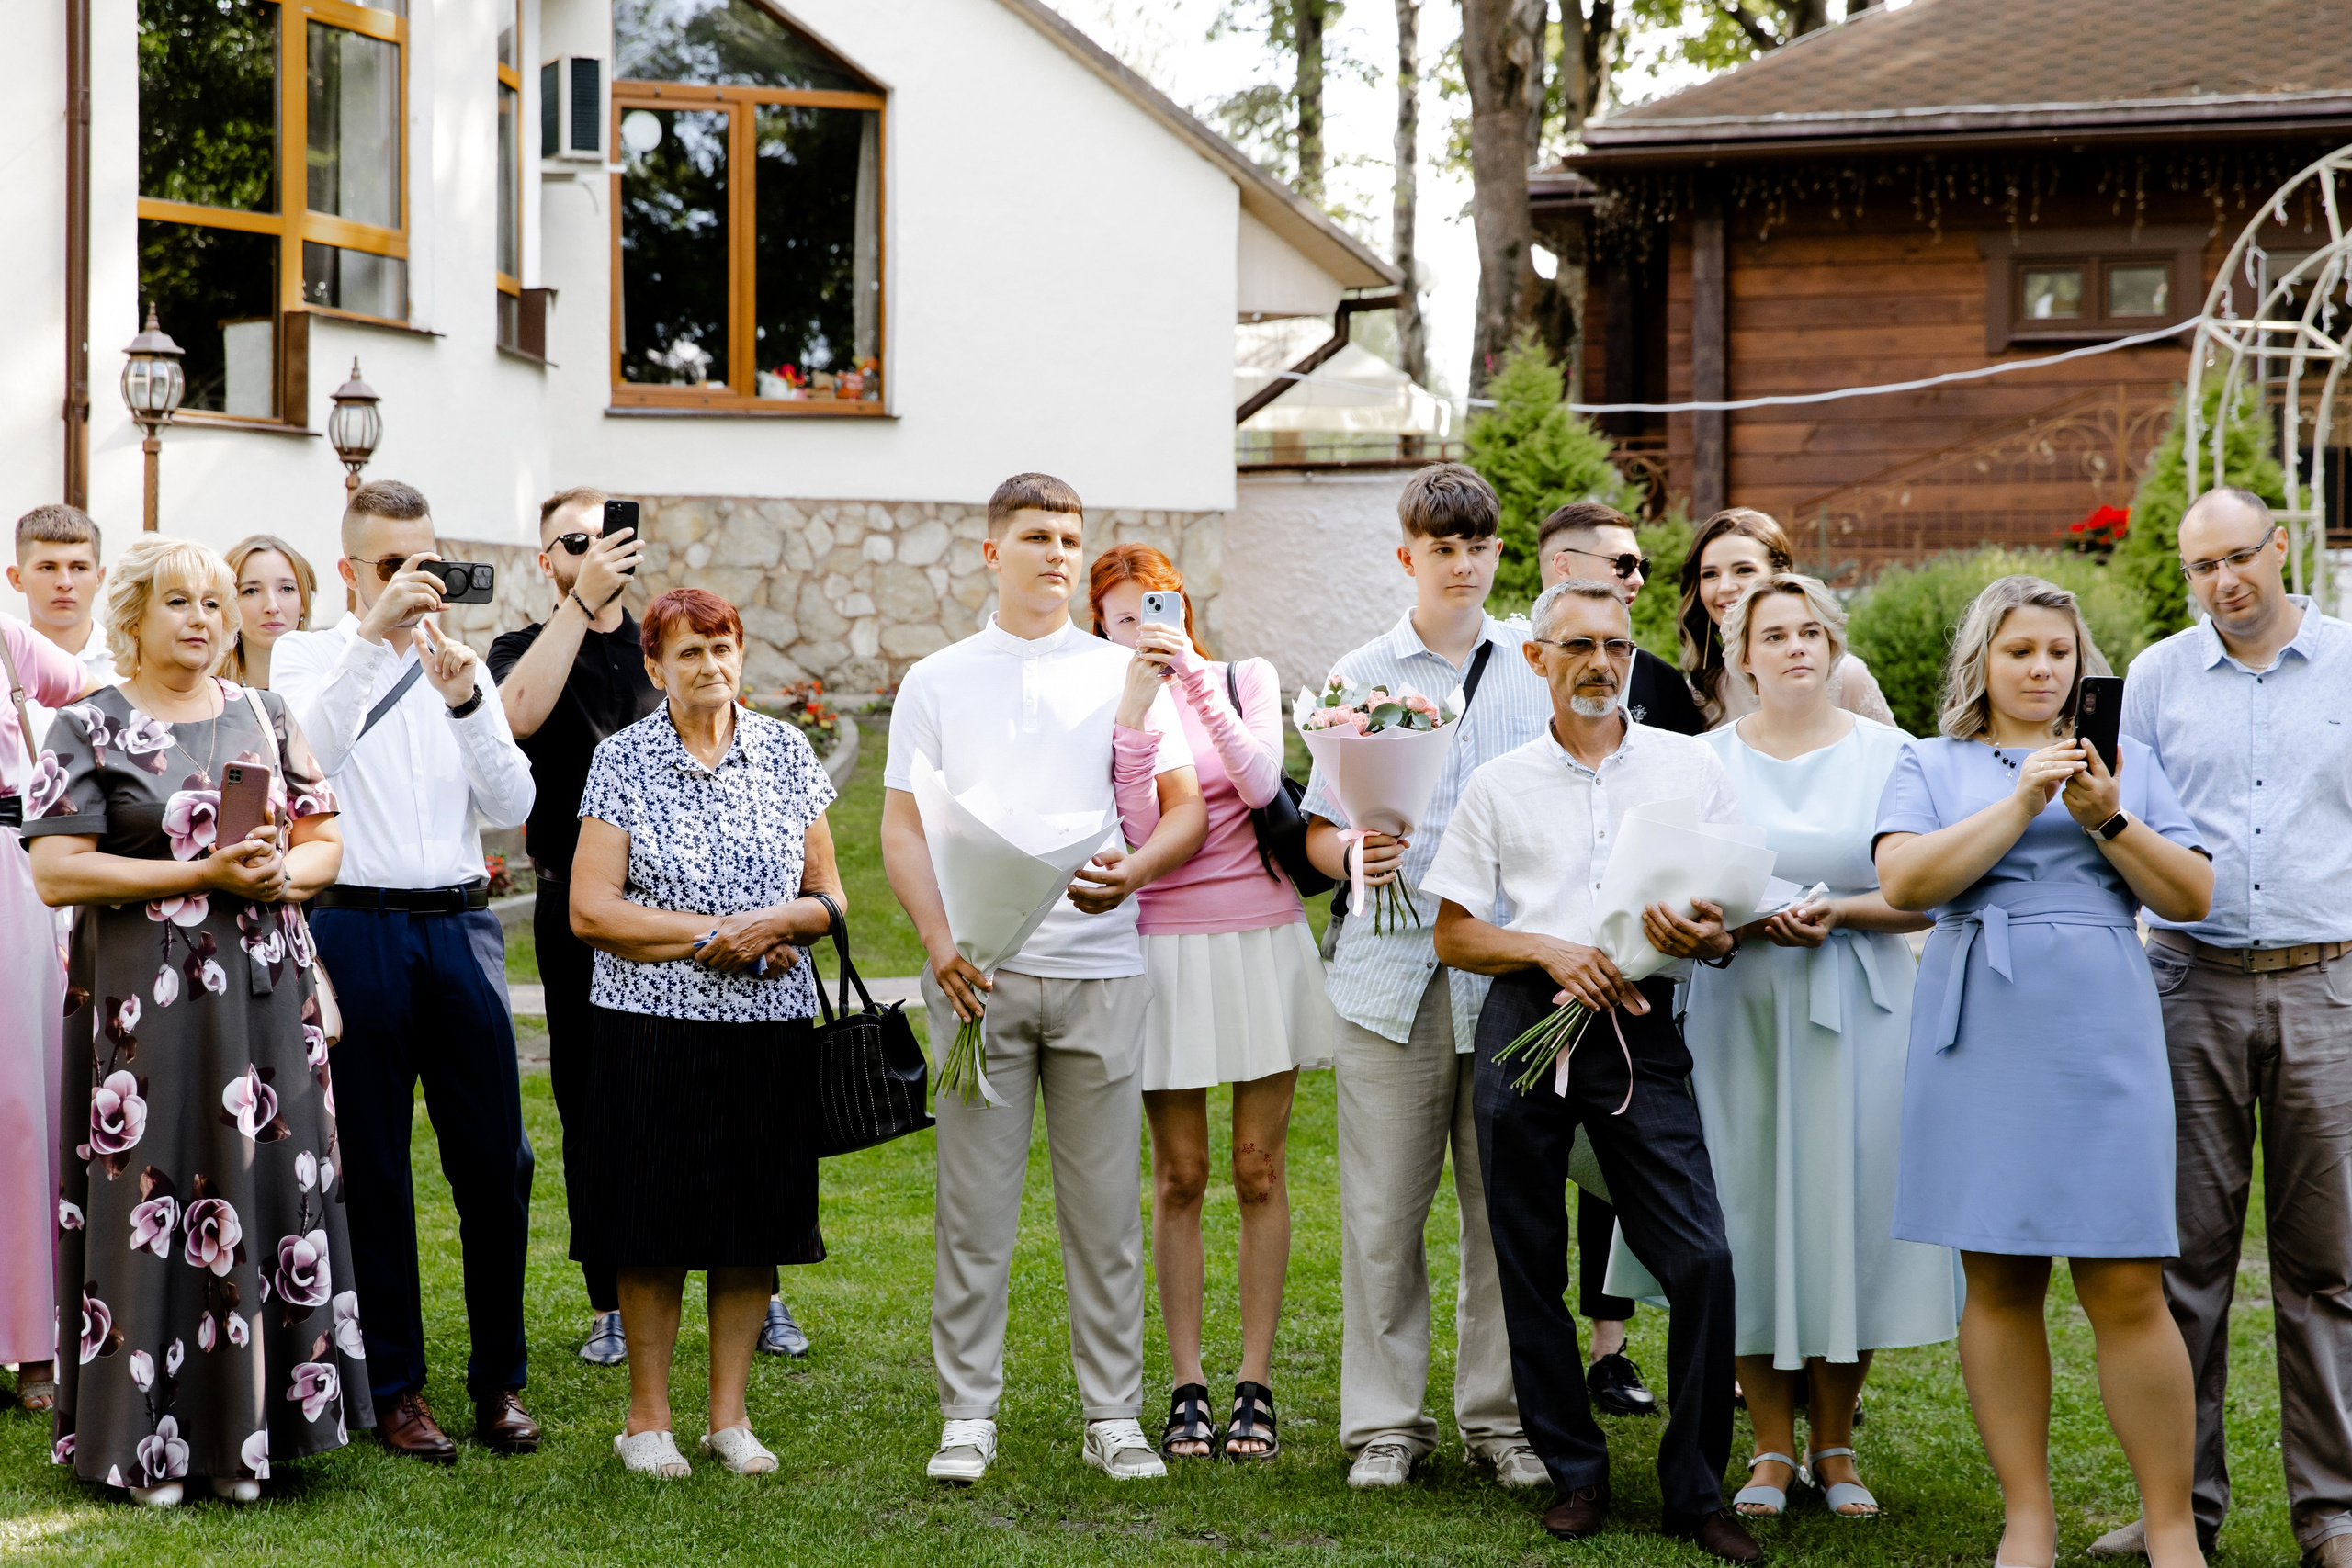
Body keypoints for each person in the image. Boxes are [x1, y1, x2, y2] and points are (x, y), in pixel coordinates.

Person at [1874, 575, 2214, 1568]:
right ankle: (2028, 1517)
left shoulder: (2124, 761)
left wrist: (2107, 815)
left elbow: (2190, 894)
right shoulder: (1927, 763)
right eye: (2020, 651)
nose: (2041, 669)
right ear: (1982, 659)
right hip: (1979, 1028)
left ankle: (2169, 1527)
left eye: (2059, 654)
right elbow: (1906, 882)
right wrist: (2022, 796)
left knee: (2125, 1282)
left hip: (2099, 1030)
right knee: (1999, 1276)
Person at [25, 536, 366, 1505]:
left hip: (264, 1004)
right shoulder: (87, 726)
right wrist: (199, 874)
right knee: (155, 1203)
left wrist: (277, 873)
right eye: (180, 602)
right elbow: (59, 870)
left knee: (258, 1194)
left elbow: (324, 841)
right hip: (148, 1015)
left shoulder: (264, 711)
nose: (203, 620)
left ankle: (244, 1443)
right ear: (133, 615)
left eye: (214, 605)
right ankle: (149, 1448)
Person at [882, 473, 1207, 1485]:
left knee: (1106, 1213)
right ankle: (966, 1415)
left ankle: (1111, 1415)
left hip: (1102, 973)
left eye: (1069, 537)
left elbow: (1184, 804)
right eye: (1035, 536)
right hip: (978, 977)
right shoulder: (937, 679)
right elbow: (900, 824)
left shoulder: (1125, 669)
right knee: (974, 1212)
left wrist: (1138, 871)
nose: (1057, 553)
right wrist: (938, 943)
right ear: (992, 553)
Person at [1609, 573, 1954, 1522]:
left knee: (1850, 1216)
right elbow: (1669, 886)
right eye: (1774, 635)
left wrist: (1839, 911)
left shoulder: (1897, 756)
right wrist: (1713, 928)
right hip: (1740, 1008)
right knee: (1747, 1217)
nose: (1796, 647)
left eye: (1811, 631)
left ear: (1834, 647)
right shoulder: (1700, 761)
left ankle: (1835, 1445)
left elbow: (1932, 893)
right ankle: (1767, 1448)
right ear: (1741, 656)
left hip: (1867, 1006)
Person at [1424, 578, 1756, 1560]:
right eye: (1577, 646)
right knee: (1528, 1261)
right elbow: (1453, 934)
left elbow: (1727, 923)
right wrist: (1545, 950)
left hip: (1641, 1025)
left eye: (1614, 644)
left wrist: (1704, 934)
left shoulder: (1688, 767)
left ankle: (1697, 1491)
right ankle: (1573, 1471)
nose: (1600, 663)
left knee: (1700, 1256)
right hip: (1527, 1019)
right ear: (1537, 660)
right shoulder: (1497, 782)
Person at [2098, 487, 2352, 1568]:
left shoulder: (2348, 662)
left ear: (2281, 544)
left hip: (2326, 986)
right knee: (2180, 1264)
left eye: (2238, 558)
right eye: (2201, 568)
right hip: (2186, 983)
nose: (2223, 583)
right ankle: (2178, 1513)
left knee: (2328, 1269)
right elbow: (2122, 832)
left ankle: (2333, 1514)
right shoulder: (2155, 676)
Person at [272, 479, 540, 1465]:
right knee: (375, 1167)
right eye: (390, 565)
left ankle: (499, 1381)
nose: (411, 581)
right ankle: (395, 1388)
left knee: (496, 1164)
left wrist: (468, 700)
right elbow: (309, 754)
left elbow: (511, 800)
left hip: (462, 929)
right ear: (348, 570)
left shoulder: (454, 661)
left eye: (422, 561)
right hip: (360, 929)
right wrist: (376, 641)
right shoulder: (309, 655)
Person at [1297, 462, 1554, 1493]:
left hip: (1502, 975)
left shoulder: (1534, 668)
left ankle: (1502, 1421)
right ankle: (1384, 1429)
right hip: (1386, 977)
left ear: (1498, 554)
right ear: (1406, 556)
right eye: (1440, 549)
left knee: (1505, 1216)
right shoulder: (1359, 669)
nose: (1460, 564)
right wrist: (1350, 857)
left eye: (1477, 547)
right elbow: (1315, 828)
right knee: (1381, 1215)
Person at [567, 587, 844, 1478]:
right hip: (648, 1028)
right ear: (655, 667)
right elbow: (590, 910)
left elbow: (829, 897)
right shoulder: (621, 761)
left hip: (767, 1031)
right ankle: (647, 1422)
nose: (709, 666)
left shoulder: (789, 752)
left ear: (741, 655)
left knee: (749, 1226)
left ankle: (730, 1421)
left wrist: (782, 925)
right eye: (687, 653)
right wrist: (714, 936)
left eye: (721, 648)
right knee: (650, 1227)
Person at [1091, 544, 1335, 1463]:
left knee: (1257, 1168)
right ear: (1102, 629)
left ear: (1181, 603)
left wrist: (1192, 679)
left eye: (1155, 605)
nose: (1143, 625)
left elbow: (1267, 782)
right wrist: (1138, 713)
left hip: (1263, 940)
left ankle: (1254, 1384)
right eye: (1120, 616)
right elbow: (1142, 832)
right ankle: (1188, 1383)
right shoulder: (1117, 706)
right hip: (1163, 947)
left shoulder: (1242, 677)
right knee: (1183, 1175)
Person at [488, 485, 658, 1368]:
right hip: (574, 906)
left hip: (677, 903)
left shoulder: (666, 640)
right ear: (546, 560)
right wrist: (581, 606)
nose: (593, 549)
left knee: (700, 1087)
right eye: (572, 541)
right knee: (591, 1097)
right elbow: (515, 717)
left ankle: (758, 1287)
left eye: (606, 536)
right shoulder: (525, 644)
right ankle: (610, 1302)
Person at [1533, 499, 1694, 1419]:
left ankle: (1615, 1341)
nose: (1635, 580)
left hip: (1639, 980)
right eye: (1618, 566)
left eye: (1637, 572)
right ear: (1564, 568)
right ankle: (1551, 1369)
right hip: (1542, 976)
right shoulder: (1520, 678)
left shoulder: (1658, 686)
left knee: (1624, 1169)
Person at [0, 612, 99, 1416]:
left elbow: (99, 692)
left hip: (9, 888)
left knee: (22, 1108)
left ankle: (37, 1344)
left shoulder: (7, 638)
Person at [1677, 509, 1894, 731]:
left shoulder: (1847, 677)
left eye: (1743, 570)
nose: (1725, 587)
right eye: (1710, 574)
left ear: (1779, 577)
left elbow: (1893, 757)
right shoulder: (1703, 689)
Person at [1539, 500, 1703, 737]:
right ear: (1564, 566)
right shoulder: (1501, 667)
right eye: (1623, 564)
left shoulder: (1661, 682)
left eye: (1641, 566)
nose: (1638, 580)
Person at [10, 505, 119, 742]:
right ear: (16, 578)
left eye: (79, 567)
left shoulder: (130, 664)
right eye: (48, 567)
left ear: (99, 577)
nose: (64, 582)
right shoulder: (4, 667)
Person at [224, 536, 318, 690]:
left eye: (287, 588)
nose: (272, 606)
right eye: (251, 591)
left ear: (304, 601)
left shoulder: (330, 686)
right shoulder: (208, 697)